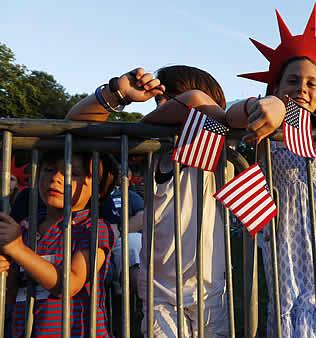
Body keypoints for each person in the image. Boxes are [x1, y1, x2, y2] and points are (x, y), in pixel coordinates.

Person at [66, 65, 230, 337]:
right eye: (158, 100)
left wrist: (138, 128)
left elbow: (196, 102)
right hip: (159, 291)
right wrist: (117, 93)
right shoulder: (150, 150)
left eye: (170, 97)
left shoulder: (216, 143)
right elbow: (74, 125)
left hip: (207, 291)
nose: (163, 106)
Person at [226, 5, 316, 337]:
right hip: (286, 229)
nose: (302, 88)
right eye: (293, 80)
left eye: (312, 83)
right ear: (277, 86)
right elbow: (230, 115)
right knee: (292, 298)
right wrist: (270, 110)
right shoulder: (264, 130)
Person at [0, 150, 115, 337]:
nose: (56, 178)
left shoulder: (94, 228)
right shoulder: (24, 228)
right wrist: (7, 268)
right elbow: (12, 295)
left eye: (73, 174)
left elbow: (70, 284)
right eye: (49, 169)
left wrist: (18, 249)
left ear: (98, 189)